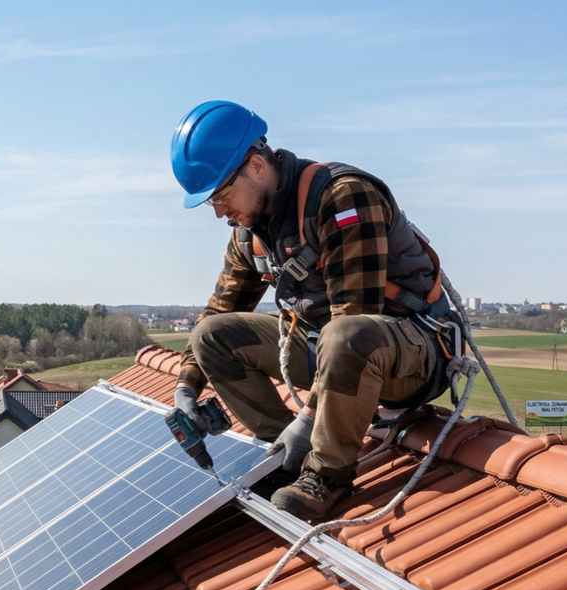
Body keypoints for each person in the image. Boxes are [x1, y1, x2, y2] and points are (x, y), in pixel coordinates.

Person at [169, 100, 458, 520]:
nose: (219, 212)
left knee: (346, 335)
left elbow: (354, 317)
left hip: (410, 354)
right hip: (335, 354)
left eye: (221, 195)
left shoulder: (342, 197)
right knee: (212, 337)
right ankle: (284, 461)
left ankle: (327, 475)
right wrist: (186, 389)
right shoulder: (250, 232)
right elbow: (220, 310)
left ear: (255, 165)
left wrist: (307, 418)